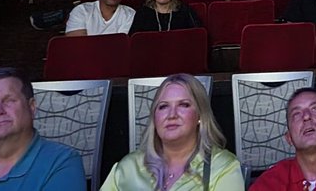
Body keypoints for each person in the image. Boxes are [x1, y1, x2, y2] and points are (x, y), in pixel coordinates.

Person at [101, 74, 243, 190]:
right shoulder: (127, 167)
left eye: (183, 105)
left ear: (200, 115)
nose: (172, 115)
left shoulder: (223, 167)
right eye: (163, 107)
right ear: (154, 118)